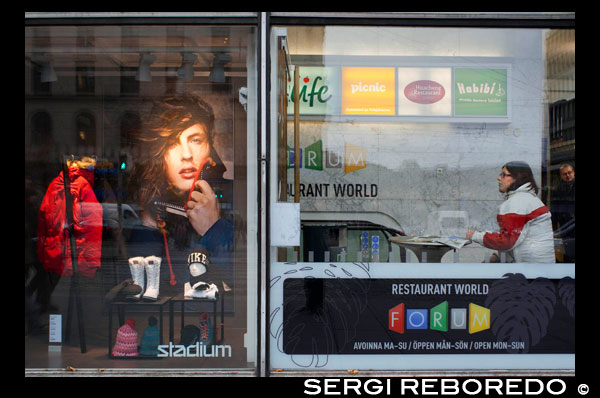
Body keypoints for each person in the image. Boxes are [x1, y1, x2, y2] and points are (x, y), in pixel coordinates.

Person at [128, 95, 233, 293]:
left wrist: (214, 227)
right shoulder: (153, 208)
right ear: (158, 155)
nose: (186, 154)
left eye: (195, 140)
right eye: (171, 143)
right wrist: (149, 222)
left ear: (210, 146)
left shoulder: (235, 197)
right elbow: (142, 290)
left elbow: (247, 281)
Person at [466, 161, 555, 263]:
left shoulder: (518, 202)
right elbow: (519, 238)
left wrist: (475, 236)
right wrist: (498, 256)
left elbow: (507, 241)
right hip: (539, 268)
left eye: (504, 175)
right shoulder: (527, 198)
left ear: (518, 177)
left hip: (531, 271)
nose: (499, 178)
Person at [551, 163, 575, 262]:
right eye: (564, 174)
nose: (567, 176)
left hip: (572, 224)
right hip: (565, 228)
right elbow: (555, 212)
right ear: (561, 176)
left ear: (574, 173)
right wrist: (555, 231)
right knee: (567, 256)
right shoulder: (557, 190)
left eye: (569, 173)